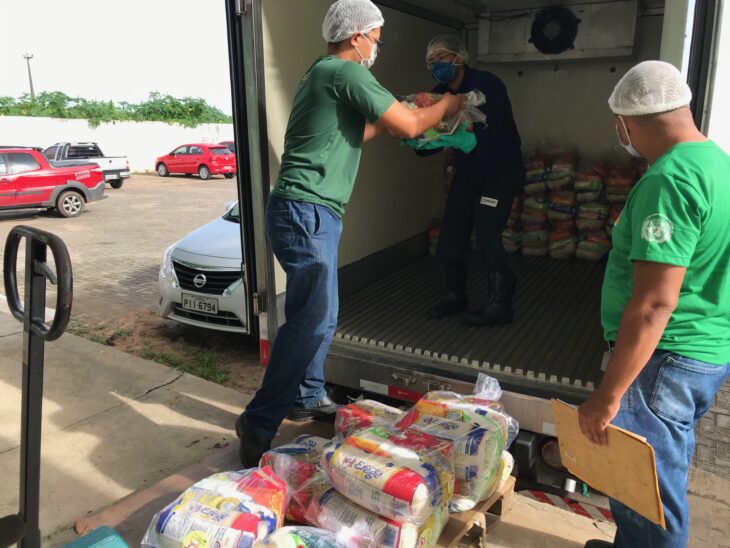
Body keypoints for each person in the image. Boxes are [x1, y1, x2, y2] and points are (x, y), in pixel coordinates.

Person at [235, 0, 465, 468]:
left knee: (322, 313)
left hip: (308, 212)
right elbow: (410, 128)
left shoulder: (323, 73)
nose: (376, 48)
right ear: (357, 36)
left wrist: (397, 114)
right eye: (375, 40)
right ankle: (258, 421)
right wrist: (447, 104)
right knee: (311, 319)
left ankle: (308, 394)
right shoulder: (345, 72)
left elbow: (353, 135)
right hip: (306, 211)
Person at [579, 60, 730, 548]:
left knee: (646, 495)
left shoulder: (669, 180)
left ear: (628, 122)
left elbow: (653, 305)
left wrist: (608, 395)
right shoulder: (718, 163)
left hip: (664, 361)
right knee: (662, 471)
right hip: (705, 351)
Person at [419, 35, 524, 326]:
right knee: (451, 234)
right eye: (432, 61)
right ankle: (455, 296)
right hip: (468, 172)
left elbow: (491, 132)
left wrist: (460, 134)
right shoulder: (438, 94)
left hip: (499, 172)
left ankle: (500, 304)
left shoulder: (488, 85)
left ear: (460, 57)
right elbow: (433, 138)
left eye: (442, 57)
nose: (437, 64)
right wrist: (421, 141)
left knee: (487, 232)